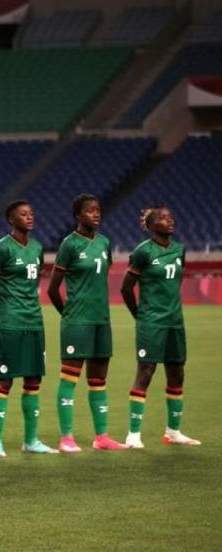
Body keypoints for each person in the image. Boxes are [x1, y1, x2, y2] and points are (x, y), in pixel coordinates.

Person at [47, 194, 128, 452]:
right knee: (70, 377)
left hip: (101, 320)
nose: (96, 214)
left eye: (98, 210)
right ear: (78, 215)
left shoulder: (105, 243)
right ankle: (66, 438)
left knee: (98, 379)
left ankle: (101, 437)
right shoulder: (69, 244)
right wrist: (69, 315)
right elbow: (52, 289)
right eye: (90, 211)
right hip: (77, 322)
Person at [0, 201, 57, 457]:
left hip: (34, 322)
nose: (29, 217)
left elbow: (33, 283)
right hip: (9, 324)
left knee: (33, 380)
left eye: (31, 213)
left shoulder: (37, 249)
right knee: (4, 381)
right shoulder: (2, 249)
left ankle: (31, 440)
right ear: (11, 220)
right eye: (23, 214)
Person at [121, 206, 200, 448]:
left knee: (177, 372)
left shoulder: (179, 250)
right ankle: (133, 435)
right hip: (151, 322)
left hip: (175, 322)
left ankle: (173, 432)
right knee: (145, 373)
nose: (170, 221)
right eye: (163, 218)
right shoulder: (143, 252)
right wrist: (140, 316)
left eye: (171, 217)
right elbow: (126, 288)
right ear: (152, 225)